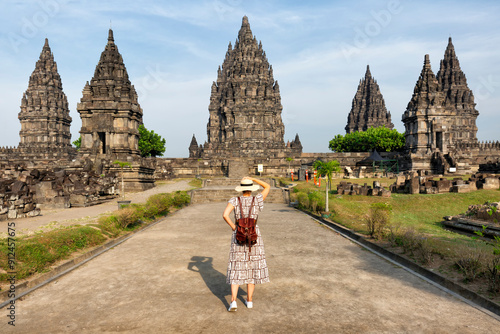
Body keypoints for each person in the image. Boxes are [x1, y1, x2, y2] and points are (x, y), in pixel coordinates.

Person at [222, 177, 271, 312]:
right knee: (252, 267)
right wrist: (254, 178)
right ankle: (249, 300)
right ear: (251, 189)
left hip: (238, 235)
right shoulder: (257, 200)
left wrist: (233, 226)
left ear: (242, 189)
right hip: (254, 236)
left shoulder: (234, 200)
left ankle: (233, 302)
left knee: (236, 267)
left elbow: (225, 214)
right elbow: (267, 187)